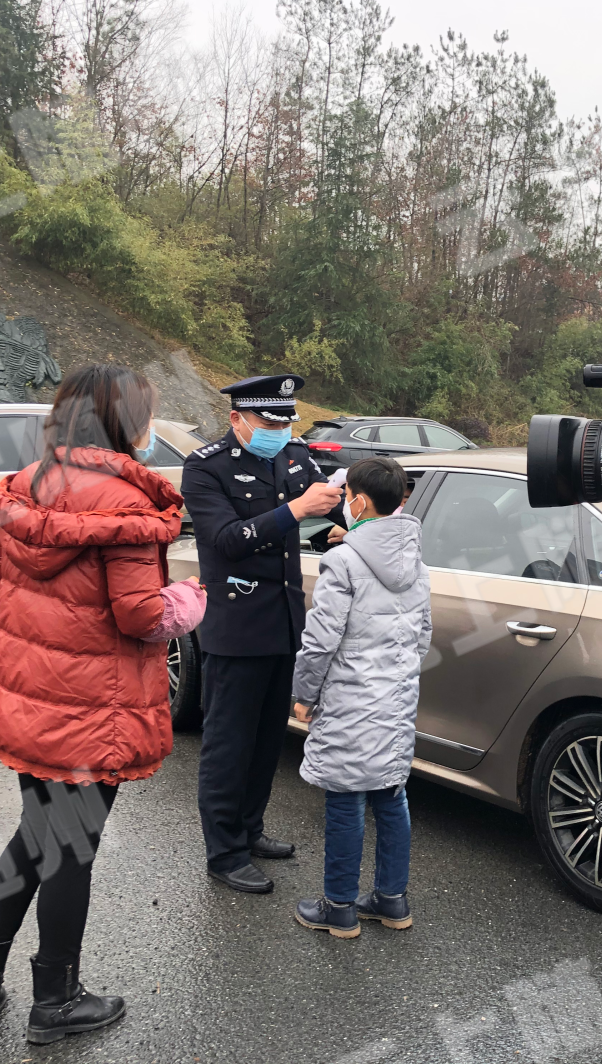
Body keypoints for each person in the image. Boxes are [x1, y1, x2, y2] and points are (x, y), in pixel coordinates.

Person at [0, 364, 207, 1044]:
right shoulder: (126, 506)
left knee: (36, 835)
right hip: (94, 711)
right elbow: (140, 616)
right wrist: (191, 599)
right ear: (126, 424)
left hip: (27, 701)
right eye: (146, 415)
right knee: (69, 848)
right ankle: (56, 999)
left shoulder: (26, 485)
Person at [182, 375, 345, 893]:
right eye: (269, 423)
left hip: (284, 621)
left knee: (266, 740)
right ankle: (224, 852)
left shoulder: (292, 455)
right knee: (229, 745)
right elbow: (227, 540)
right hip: (237, 627)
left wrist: (343, 514)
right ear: (237, 419)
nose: (280, 432)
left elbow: (328, 505)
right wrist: (296, 510)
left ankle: (250, 830)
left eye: (285, 423)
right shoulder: (205, 467)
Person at [289, 457, 432, 937]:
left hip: (350, 700)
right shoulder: (416, 562)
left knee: (345, 798)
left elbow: (320, 640)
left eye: (347, 494)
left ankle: (339, 907)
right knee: (391, 794)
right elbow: (422, 635)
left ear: (360, 502)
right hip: (396, 699)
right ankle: (392, 900)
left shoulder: (343, 561)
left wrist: (305, 693)